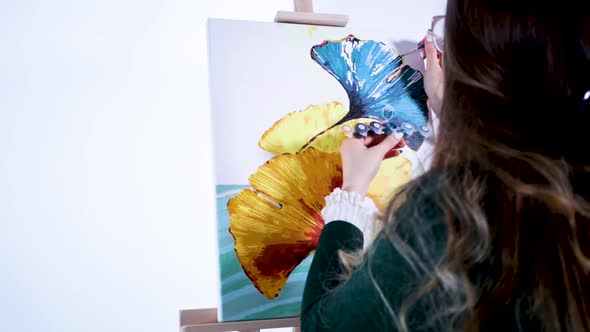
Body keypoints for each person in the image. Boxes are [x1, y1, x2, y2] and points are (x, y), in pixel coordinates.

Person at [301, 0, 590, 331]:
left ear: (471, 64)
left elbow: (321, 326)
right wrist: (455, 110)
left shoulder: (452, 209)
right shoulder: (574, 175)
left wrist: (351, 192)